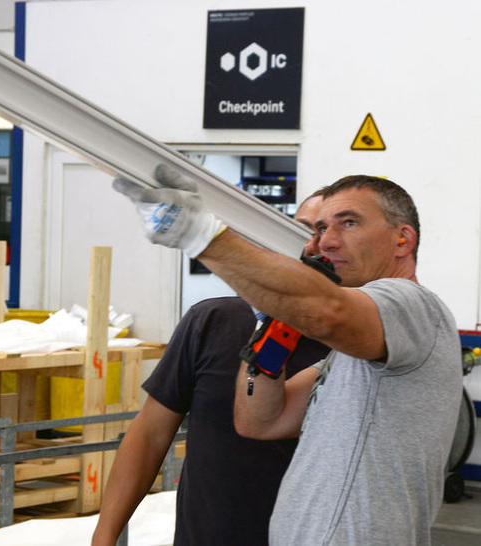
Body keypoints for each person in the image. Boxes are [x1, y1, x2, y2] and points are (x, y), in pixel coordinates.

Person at [112, 165, 462, 545]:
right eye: (321, 229)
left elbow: (328, 313)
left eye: (348, 223)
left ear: (402, 239)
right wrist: (273, 326)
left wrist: (198, 234)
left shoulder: (413, 304)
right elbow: (260, 420)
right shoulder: (346, 359)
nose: (325, 242)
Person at [91, 192, 330, 546]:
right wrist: (104, 535)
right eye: (303, 232)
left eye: (330, 234)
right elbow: (150, 434)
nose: (314, 246)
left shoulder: (356, 348)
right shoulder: (213, 322)